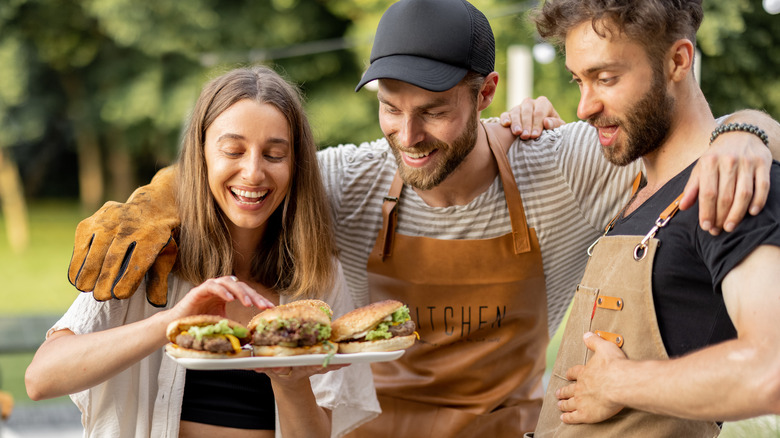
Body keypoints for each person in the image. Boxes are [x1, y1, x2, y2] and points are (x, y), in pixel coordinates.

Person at [62, 0, 780, 436]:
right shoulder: (351, 178)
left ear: (485, 93)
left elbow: (683, 136)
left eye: (434, 110)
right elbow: (251, 171)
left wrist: (748, 131)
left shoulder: (568, 164)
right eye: (390, 109)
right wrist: (162, 195)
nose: (407, 136)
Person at [25, 66, 379, 438]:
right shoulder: (151, 253)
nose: (253, 172)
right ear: (202, 155)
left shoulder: (317, 275)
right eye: (233, 151)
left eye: (275, 155)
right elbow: (41, 378)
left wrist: (290, 381)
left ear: (296, 166)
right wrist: (172, 323)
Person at [525, 1, 780, 437]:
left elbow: (770, 369)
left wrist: (619, 382)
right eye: (578, 80)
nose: (584, 107)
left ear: (678, 61)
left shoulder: (731, 184)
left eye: (606, 78)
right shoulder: (636, 189)